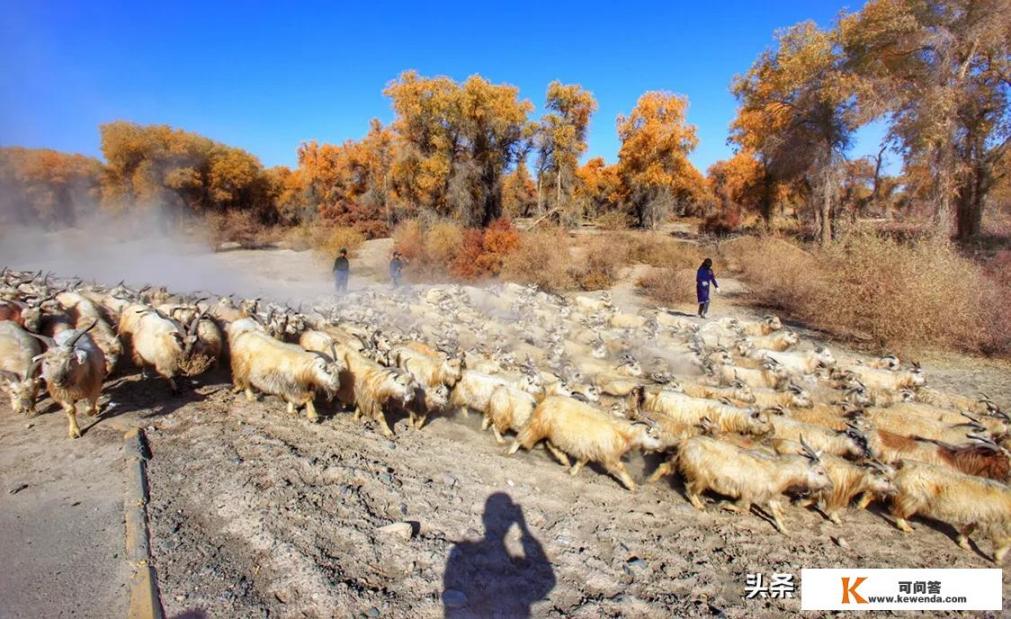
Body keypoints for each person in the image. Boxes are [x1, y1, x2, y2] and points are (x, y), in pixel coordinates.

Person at [442, 493, 555, 617]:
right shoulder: (469, 556)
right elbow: (547, 584)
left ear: (484, 517)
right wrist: (525, 531)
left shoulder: (461, 553)